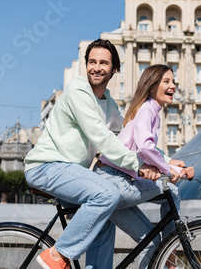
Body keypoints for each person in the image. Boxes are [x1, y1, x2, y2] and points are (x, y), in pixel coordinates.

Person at [24, 39, 161, 269]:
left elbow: (128, 138)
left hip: (71, 171)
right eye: (92, 62)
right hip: (46, 166)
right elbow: (101, 136)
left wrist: (166, 162)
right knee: (107, 194)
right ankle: (58, 255)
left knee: (104, 220)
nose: (96, 67)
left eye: (103, 63)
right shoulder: (78, 90)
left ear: (114, 69)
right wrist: (137, 165)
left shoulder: (108, 103)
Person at [95, 64, 195, 269]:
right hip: (113, 181)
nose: (173, 86)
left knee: (151, 243)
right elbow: (145, 147)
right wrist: (170, 171)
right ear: (151, 87)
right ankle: (170, 258)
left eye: (173, 82)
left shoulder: (150, 110)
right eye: (166, 81)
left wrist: (169, 163)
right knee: (173, 191)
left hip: (111, 179)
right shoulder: (148, 109)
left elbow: (143, 150)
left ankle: (167, 254)